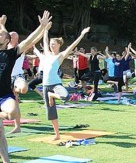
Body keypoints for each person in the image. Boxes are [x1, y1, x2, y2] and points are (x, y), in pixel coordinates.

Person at [0, 11, 51, 163]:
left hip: (4, 95)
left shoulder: (11, 53)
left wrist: (42, 27)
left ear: (7, 39)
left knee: (12, 114)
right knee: (1, 132)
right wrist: (1, 24)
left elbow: (29, 40)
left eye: (1, 34)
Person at [42, 21, 90, 140]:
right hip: (45, 85)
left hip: (55, 84)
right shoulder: (47, 54)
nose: (51, 46)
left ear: (59, 45)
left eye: (54, 44)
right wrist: (46, 29)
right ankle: (57, 134)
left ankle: (52, 95)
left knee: (66, 96)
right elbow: (45, 41)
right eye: (51, 44)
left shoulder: (61, 55)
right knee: (51, 112)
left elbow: (73, 45)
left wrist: (82, 34)